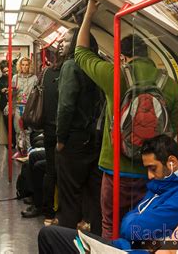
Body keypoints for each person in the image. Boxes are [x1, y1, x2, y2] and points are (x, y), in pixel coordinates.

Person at [75, 0, 178, 238]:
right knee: (145, 227)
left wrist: (90, 13)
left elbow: (80, 52)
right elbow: (172, 132)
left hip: (117, 168)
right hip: (153, 171)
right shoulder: (173, 86)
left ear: (123, 57)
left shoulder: (115, 76)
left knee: (111, 223)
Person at [37, 135, 178, 253]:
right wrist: (132, 223)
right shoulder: (161, 183)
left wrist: (132, 223)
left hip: (130, 250)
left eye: (153, 168)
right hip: (123, 245)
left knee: (50, 235)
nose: (149, 175)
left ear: (172, 163)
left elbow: (135, 229)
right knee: (50, 235)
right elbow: (131, 221)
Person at [55, 28, 103, 233]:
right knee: (94, 194)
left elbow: (66, 106)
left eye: (66, 41)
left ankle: (66, 240)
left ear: (75, 43)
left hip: (74, 139)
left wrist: (61, 138)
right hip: (96, 139)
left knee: (70, 194)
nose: (62, 44)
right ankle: (96, 239)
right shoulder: (99, 66)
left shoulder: (71, 66)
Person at [21, 41, 64, 224]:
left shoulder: (45, 73)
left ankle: (45, 209)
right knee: (45, 166)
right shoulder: (68, 74)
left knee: (47, 169)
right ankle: (44, 206)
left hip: (49, 128)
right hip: (60, 131)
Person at [12, 57, 37, 156]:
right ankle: (19, 150)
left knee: (28, 130)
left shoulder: (34, 78)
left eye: (27, 65)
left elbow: (36, 93)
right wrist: (14, 91)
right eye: (23, 65)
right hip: (18, 106)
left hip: (29, 106)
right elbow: (11, 94)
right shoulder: (15, 77)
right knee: (18, 130)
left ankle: (28, 151)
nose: (25, 67)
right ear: (20, 66)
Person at [0, 60, 16, 147]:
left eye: (7, 71)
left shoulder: (15, 77)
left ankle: (16, 143)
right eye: (4, 72)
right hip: (5, 104)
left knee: (16, 125)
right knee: (8, 125)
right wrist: (2, 90)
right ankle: (11, 142)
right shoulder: (1, 79)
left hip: (15, 103)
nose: (6, 73)